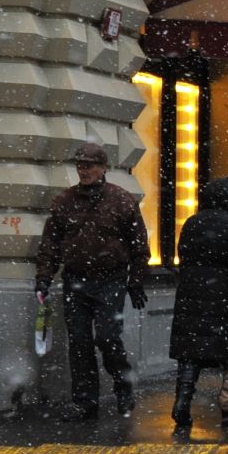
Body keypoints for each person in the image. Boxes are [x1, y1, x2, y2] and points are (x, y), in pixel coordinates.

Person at [34, 141, 149, 420]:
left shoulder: (121, 200)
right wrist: (44, 277)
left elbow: (139, 246)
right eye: (80, 165)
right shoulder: (64, 201)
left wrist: (135, 281)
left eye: (89, 165)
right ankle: (85, 402)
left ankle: (124, 385)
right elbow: (50, 244)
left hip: (111, 280)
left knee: (108, 338)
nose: (83, 170)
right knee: (80, 342)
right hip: (76, 280)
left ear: (103, 168)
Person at [169, 177, 228, 436]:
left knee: (190, 354)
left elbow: (182, 258)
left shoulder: (191, 223)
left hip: (190, 295)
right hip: (223, 298)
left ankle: (182, 400)